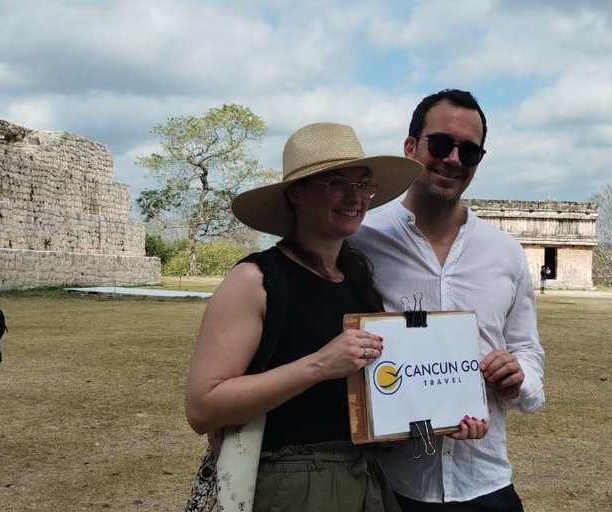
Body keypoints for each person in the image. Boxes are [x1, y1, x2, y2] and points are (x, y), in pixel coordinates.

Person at [185, 122, 486, 512]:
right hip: (292, 485)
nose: (355, 197)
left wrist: (443, 416)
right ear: (296, 194)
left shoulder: (358, 279)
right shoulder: (256, 279)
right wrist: (319, 365)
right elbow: (203, 406)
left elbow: (375, 396)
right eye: (337, 183)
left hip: (365, 479)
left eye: (363, 184)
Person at [352, 89, 546, 511]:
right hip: (391, 486)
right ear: (410, 147)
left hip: (485, 483)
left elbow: (528, 350)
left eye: (470, 151)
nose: (454, 159)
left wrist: (519, 378)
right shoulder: (362, 242)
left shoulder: (505, 252)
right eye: (441, 144)